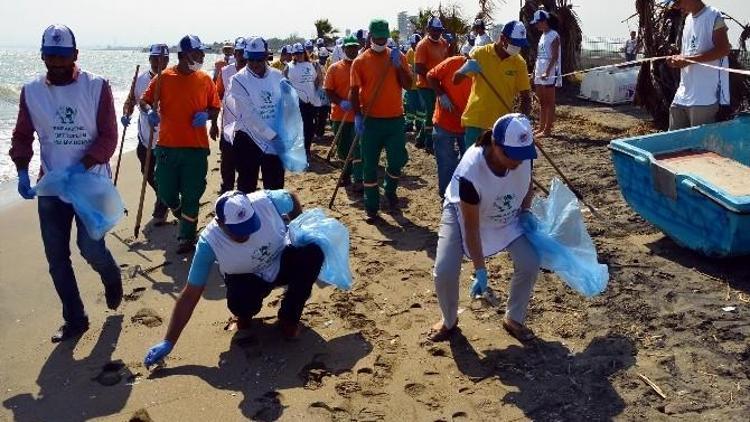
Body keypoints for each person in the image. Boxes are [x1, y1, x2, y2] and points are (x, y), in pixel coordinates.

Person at [9, 24, 123, 342]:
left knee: (90, 247)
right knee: (57, 257)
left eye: (63, 57)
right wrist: (21, 169)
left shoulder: (96, 86)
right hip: (53, 187)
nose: (57, 64)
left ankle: (111, 276)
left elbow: (109, 137)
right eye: (50, 57)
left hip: (91, 184)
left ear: (75, 54)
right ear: (42, 56)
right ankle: (75, 319)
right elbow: (21, 135)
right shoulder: (31, 91)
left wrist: (81, 167)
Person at [143, 189, 324, 367]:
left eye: (250, 225)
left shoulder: (265, 201)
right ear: (221, 224)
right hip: (247, 279)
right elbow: (191, 293)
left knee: (313, 253)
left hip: (282, 261)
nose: (246, 234)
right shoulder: (209, 243)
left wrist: (298, 227)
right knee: (240, 302)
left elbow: (291, 197)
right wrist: (169, 341)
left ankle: (289, 318)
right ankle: (243, 317)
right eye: (239, 231)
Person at [428, 114, 540, 343]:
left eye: (522, 156)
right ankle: (449, 320)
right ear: (495, 145)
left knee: (530, 262)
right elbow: (471, 228)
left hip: (504, 213)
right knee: (445, 271)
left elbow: (527, 182)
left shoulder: (523, 155)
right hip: (464, 213)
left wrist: (526, 211)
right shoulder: (471, 172)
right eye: (511, 156)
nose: (517, 162)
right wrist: (480, 269)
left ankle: (514, 318)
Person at [140, 34, 221, 254]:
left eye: (202, 53)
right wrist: (150, 112)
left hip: (196, 148)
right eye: (196, 53)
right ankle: (180, 214)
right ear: (183, 55)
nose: (201, 57)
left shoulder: (205, 79)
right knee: (164, 189)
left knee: (192, 193)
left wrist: (207, 115)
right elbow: (144, 101)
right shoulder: (163, 78)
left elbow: (216, 107)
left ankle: (186, 237)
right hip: (167, 146)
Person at [350, 19, 413, 222]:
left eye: (384, 38)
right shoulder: (360, 61)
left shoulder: (398, 57)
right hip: (371, 122)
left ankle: (390, 189)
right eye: (377, 38)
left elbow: (409, 85)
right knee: (369, 165)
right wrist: (357, 115)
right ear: (370, 37)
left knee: (397, 160)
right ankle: (371, 206)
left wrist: (399, 67)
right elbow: (353, 91)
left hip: (395, 120)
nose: (380, 41)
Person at [454, 21, 532, 149]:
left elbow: (525, 96)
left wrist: (524, 123)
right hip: (476, 121)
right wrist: (464, 69)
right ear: (502, 39)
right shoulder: (480, 54)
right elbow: (455, 80)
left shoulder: (519, 62)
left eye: (519, 45)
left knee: (496, 166)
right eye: (514, 44)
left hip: (500, 125)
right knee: (473, 165)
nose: (517, 48)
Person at [228, 37, 292, 192]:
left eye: (259, 60)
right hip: (248, 138)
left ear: (265, 57)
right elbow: (250, 116)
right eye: (251, 60)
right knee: (247, 186)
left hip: (274, 138)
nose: (255, 64)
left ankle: (275, 215)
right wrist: (273, 136)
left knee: (275, 186)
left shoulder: (278, 76)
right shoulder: (238, 80)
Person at [121, 44, 171, 224]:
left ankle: (162, 204)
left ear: (168, 60)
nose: (159, 62)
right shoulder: (140, 79)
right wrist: (126, 114)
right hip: (145, 135)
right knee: (147, 171)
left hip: (167, 138)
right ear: (149, 59)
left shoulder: (173, 78)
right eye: (155, 58)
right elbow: (130, 101)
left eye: (163, 59)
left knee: (163, 174)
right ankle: (164, 196)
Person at [663, 0, 731, 130]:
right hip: (683, 95)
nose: (676, 7)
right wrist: (677, 60)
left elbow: (723, 49)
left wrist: (687, 60)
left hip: (704, 98)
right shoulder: (688, 20)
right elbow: (689, 53)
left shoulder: (713, 15)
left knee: (700, 147)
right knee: (674, 143)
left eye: (677, 2)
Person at [427, 43, 473, 198]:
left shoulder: (485, 72)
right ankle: (447, 195)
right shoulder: (452, 63)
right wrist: (441, 94)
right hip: (444, 121)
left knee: (469, 161)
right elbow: (430, 76)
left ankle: (465, 195)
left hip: (468, 123)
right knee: (446, 161)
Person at [325, 35, 363, 191]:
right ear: (344, 49)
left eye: (355, 47)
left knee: (358, 149)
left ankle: (359, 178)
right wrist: (341, 102)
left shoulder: (362, 67)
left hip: (358, 116)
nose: (353, 50)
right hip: (340, 115)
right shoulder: (334, 68)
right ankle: (345, 175)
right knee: (343, 148)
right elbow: (328, 90)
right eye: (350, 47)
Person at [215, 37, 248, 194]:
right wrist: (214, 123)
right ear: (235, 53)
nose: (242, 56)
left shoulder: (254, 71)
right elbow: (217, 96)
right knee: (227, 164)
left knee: (246, 166)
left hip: (249, 129)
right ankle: (226, 190)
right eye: (239, 52)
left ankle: (243, 193)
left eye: (244, 53)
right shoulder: (226, 71)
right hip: (228, 127)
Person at [414, 16, 449, 153]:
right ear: (428, 29)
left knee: (435, 112)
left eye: (439, 30)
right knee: (431, 112)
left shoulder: (443, 43)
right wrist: (433, 76)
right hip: (425, 85)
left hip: (439, 83)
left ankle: (420, 139)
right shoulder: (422, 45)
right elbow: (418, 67)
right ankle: (429, 143)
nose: (437, 33)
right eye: (434, 30)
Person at [285, 42, 322, 157]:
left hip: (311, 101)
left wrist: (316, 92)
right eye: (296, 54)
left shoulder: (310, 65)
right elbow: (284, 83)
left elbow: (316, 79)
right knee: (299, 127)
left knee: (310, 127)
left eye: (300, 53)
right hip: (297, 102)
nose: (298, 55)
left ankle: (307, 148)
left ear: (304, 53)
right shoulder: (289, 67)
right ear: (293, 55)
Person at [531, 10, 562, 138]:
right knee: (542, 101)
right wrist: (534, 71)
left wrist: (547, 71)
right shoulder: (542, 36)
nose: (536, 25)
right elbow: (539, 55)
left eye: (537, 23)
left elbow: (554, 56)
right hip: (539, 70)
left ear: (544, 22)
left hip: (549, 72)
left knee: (549, 101)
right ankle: (541, 127)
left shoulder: (554, 35)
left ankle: (547, 129)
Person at [404, 34, 424, 134]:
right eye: (412, 44)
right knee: (410, 106)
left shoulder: (423, 51)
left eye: (415, 44)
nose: (413, 46)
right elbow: (405, 64)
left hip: (421, 85)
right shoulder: (410, 52)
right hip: (411, 85)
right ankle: (409, 124)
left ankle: (420, 125)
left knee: (421, 107)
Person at [315, 47, 331, 140]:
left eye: (325, 58)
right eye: (322, 58)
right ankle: (318, 133)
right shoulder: (315, 65)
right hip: (318, 93)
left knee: (324, 114)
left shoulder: (327, 65)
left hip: (325, 93)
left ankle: (320, 133)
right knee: (319, 115)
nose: (323, 60)